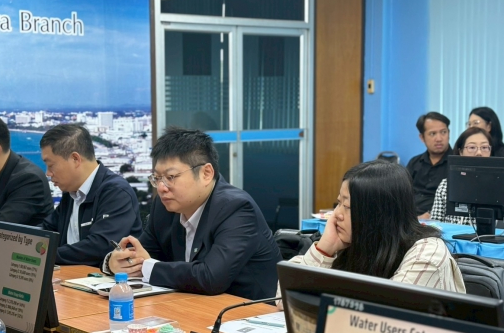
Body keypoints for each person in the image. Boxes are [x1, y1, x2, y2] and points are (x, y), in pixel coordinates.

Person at [103, 127, 281, 300]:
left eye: (171, 177)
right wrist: (115, 262)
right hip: (189, 304)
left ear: (206, 174)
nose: (162, 188)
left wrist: (147, 266)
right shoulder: (165, 206)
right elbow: (142, 255)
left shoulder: (237, 209)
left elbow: (210, 277)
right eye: (157, 178)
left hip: (247, 312)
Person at [280, 160, 465, 300]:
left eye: (347, 206)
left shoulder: (428, 254)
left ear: (378, 214)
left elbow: (381, 317)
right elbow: (283, 297)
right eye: (338, 203)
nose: (336, 215)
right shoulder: (352, 242)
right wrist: (325, 249)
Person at [39, 124, 143, 266]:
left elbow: (99, 247)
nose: (48, 173)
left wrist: (44, 255)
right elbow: (48, 230)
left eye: (51, 165)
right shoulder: (71, 192)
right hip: (71, 275)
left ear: (75, 159)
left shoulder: (116, 192)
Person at [430, 127, 492, 224]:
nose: (479, 153)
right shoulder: (446, 185)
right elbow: (435, 224)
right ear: (461, 152)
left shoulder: (499, 185)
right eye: (472, 147)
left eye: (484, 147)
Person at [406, 112, 452, 219]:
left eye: (443, 132)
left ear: (449, 133)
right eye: (432, 134)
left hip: (439, 219)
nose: (439, 138)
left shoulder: (457, 164)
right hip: (411, 218)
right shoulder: (414, 162)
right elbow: (402, 194)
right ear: (422, 137)